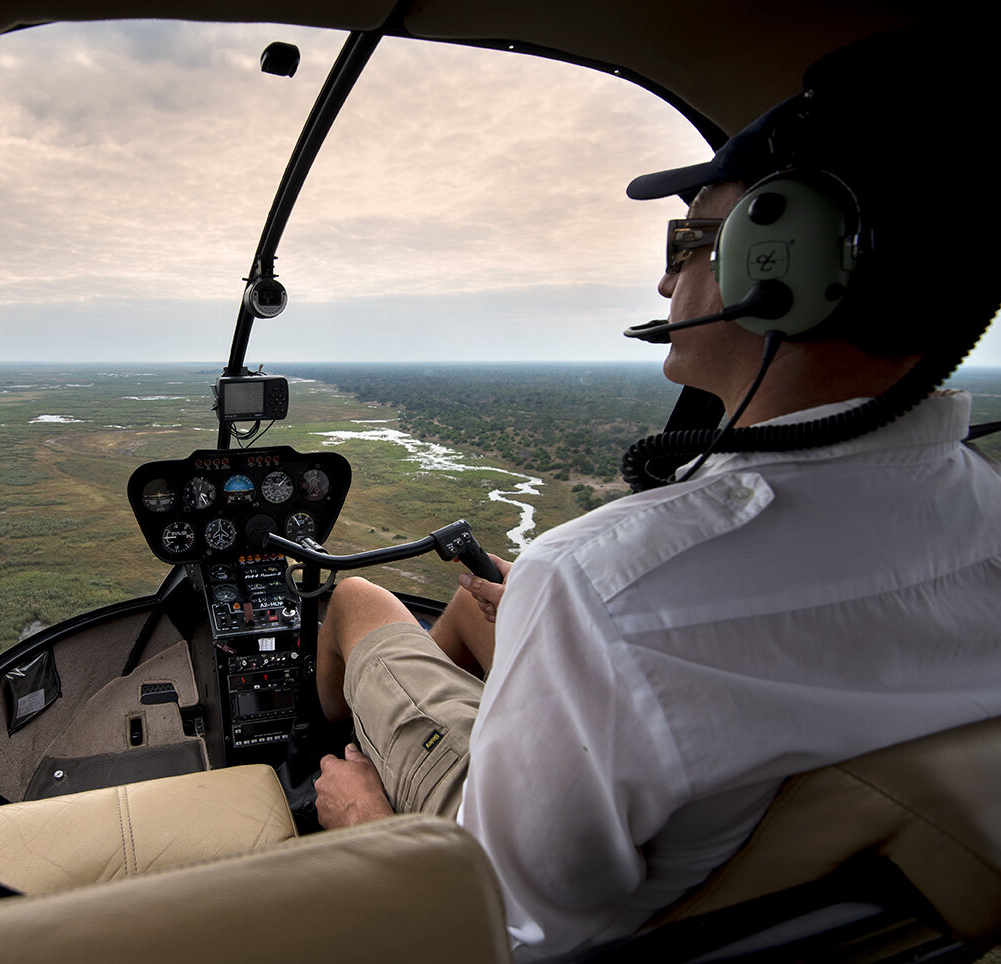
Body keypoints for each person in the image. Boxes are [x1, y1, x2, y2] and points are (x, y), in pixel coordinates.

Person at [311, 33, 1001, 958]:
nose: (667, 279)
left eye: (690, 239)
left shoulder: (597, 585)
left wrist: (361, 822)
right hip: (800, 907)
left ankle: (338, 752)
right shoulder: (984, 524)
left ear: (782, 260)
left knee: (358, 601)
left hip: (506, 886)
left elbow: (501, 934)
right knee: (489, 621)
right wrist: (569, 634)